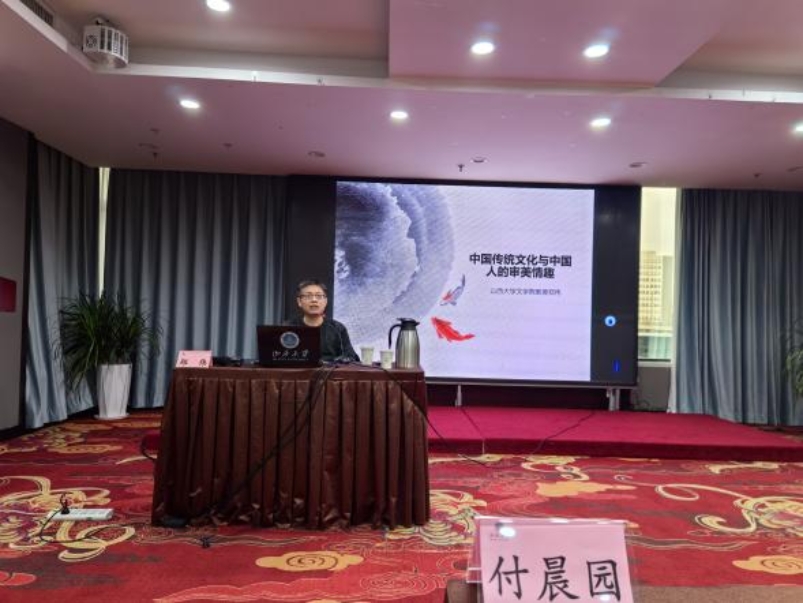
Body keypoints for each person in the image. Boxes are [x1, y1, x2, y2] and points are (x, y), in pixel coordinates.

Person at [288, 279, 359, 363]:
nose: (314, 300)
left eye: (319, 296)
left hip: (331, 370)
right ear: (299, 301)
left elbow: (350, 356)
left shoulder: (337, 328)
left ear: (325, 301)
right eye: (308, 296)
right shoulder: (288, 328)